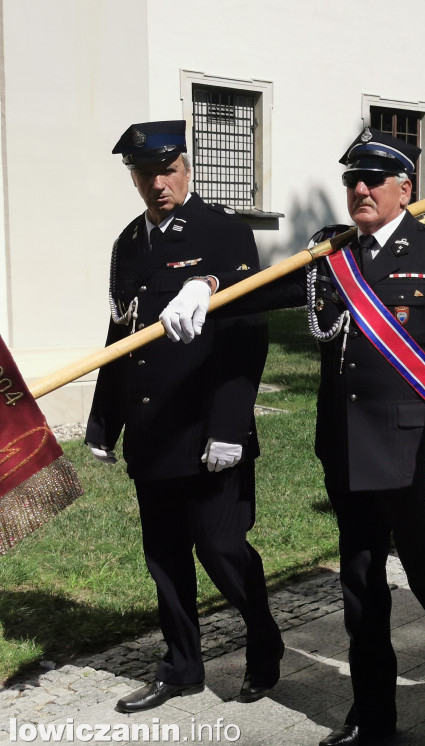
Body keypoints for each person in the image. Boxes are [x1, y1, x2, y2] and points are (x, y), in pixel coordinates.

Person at [161, 127, 425, 746]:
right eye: (352, 181)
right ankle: (372, 713)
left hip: (414, 457)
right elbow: (267, 288)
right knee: (360, 588)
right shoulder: (331, 254)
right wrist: (204, 289)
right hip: (344, 451)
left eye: (374, 180)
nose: (360, 189)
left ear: (405, 187)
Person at [86, 121, 282, 713]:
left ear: (187, 169)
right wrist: (104, 421)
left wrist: (228, 427)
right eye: (145, 174)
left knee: (221, 549)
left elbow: (247, 335)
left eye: (167, 170)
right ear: (134, 178)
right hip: (153, 429)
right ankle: (181, 667)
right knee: (165, 557)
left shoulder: (223, 232)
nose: (158, 183)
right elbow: (122, 334)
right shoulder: (128, 243)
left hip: (204, 430)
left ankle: (264, 642)